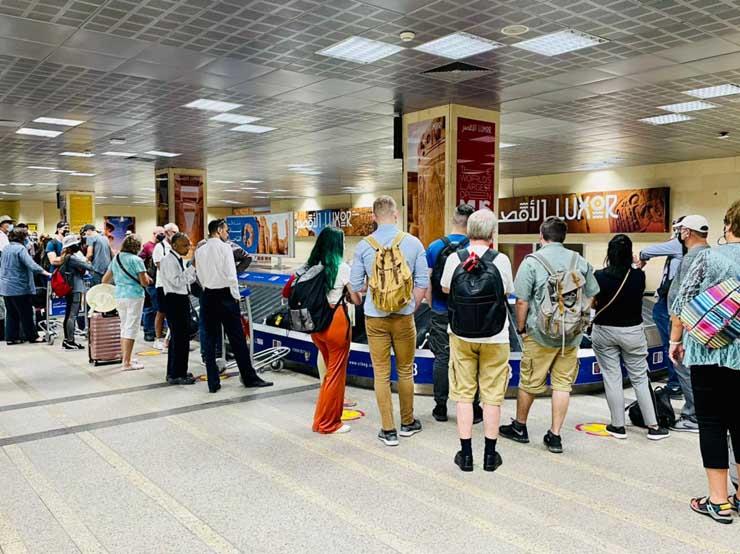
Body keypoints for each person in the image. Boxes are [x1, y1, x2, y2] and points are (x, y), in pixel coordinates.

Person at [500, 216, 599, 454]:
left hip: (539, 334)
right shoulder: (579, 260)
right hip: (571, 335)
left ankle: (520, 427)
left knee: (529, 382)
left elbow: (522, 301)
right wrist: (578, 318)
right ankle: (555, 436)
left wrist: (521, 329)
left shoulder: (532, 262)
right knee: (562, 385)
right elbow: (593, 293)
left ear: (541, 236)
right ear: (563, 237)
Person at [670, 200, 740, 524]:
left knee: (712, 422)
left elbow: (681, 305)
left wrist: (675, 341)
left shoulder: (709, 257)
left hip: (707, 352)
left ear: (728, 226)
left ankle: (718, 501)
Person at [349, 195, 429, 447]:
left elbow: (355, 285)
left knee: (381, 374)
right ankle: (407, 422)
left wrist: (370, 292)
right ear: (396, 214)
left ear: (373, 217)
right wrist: (410, 307)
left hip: (375, 319)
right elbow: (422, 282)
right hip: (404, 317)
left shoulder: (364, 246)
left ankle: (388, 430)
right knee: (405, 370)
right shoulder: (413, 243)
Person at [440, 209, 513, 472]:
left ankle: (467, 455)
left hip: (461, 334)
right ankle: (490, 456)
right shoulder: (501, 260)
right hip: (496, 335)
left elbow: (446, 288)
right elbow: (507, 291)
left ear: (469, 231)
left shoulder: (455, 258)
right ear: (492, 233)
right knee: (492, 396)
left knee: (464, 395)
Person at [591, 234, 670, 440]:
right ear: (630, 254)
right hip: (632, 332)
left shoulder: (599, 275)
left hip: (604, 331)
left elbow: (592, 303)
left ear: (609, 253)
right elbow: (634, 283)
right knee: (640, 378)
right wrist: (636, 264)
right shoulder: (638, 276)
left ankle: (618, 426)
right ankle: (653, 426)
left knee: (612, 377)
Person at [195, 219, 272, 393]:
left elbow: (199, 275)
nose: (228, 234)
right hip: (225, 297)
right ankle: (249, 377)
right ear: (219, 230)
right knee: (237, 339)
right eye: (226, 230)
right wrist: (235, 296)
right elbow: (231, 275)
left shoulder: (200, 250)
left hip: (208, 296)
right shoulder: (225, 248)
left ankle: (213, 382)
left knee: (209, 340)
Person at [426, 203, 483, 423]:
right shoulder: (475, 248)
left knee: (442, 357)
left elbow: (427, 280)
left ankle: (440, 407)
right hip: (469, 312)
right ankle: (474, 407)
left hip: (441, 310)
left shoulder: (434, 247)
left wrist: (432, 304)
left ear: (453, 220)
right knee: (471, 358)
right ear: (471, 224)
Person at [302, 227, 352, 434]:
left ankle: (320, 420)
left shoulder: (311, 266)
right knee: (335, 375)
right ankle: (329, 424)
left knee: (329, 374)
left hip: (316, 325)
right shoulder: (342, 267)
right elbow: (356, 297)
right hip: (336, 322)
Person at [667, 215, 711, 433]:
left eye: (680, 230)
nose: (679, 234)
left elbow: (681, 299)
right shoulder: (712, 254)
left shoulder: (691, 258)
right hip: (706, 325)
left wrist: (675, 337)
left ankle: (694, 415)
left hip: (687, 325)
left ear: (687, 232)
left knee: (685, 368)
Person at [637, 220, 686, 397]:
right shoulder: (695, 249)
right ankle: (680, 381)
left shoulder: (678, 244)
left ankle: (675, 383)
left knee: (670, 341)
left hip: (668, 300)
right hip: (680, 300)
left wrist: (641, 258)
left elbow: (648, 251)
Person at [103, 235, 152, 371]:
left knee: (124, 327)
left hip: (119, 296)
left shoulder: (117, 258)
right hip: (134, 296)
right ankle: (127, 363)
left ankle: (126, 357)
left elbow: (105, 280)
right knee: (131, 328)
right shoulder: (136, 260)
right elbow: (144, 282)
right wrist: (148, 280)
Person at [0, 229, 51, 344]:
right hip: (19, 287)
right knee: (26, 313)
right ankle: (33, 337)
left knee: (11, 314)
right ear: (22, 238)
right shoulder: (20, 249)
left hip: (5, 287)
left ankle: (11, 338)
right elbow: (31, 265)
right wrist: (46, 273)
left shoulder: (6, 248)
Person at [159, 232, 198, 385]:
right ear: (174, 245)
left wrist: (192, 273)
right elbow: (177, 281)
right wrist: (192, 268)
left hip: (179, 299)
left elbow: (186, 280)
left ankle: (176, 371)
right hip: (175, 300)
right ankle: (177, 374)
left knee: (179, 338)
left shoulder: (177, 259)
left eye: (189, 245)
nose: (188, 248)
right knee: (180, 339)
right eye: (184, 245)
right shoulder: (169, 261)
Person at [59, 234, 93, 351]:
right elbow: (89, 266)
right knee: (72, 315)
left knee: (68, 314)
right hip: (75, 289)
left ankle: (67, 340)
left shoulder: (66, 257)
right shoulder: (72, 258)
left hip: (70, 289)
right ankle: (70, 341)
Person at [152, 223, 178, 350]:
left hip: (174, 285)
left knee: (173, 312)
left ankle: (169, 338)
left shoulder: (175, 246)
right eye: (174, 232)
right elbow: (159, 265)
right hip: (163, 285)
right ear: (167, 233)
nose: (176, 235)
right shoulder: (159, 247)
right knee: (161, 311)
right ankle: (158, 338)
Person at [139, 226, 164, 342]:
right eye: (160, 233)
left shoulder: (163, 246)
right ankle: (149, 331)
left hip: (159, 281)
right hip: (151, 281)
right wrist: (145, 275)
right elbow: (140, 261)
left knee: (158, 308)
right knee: (150, 308)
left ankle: (157, 330)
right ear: (154, 234)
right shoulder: (147, 246)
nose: (162, 235)